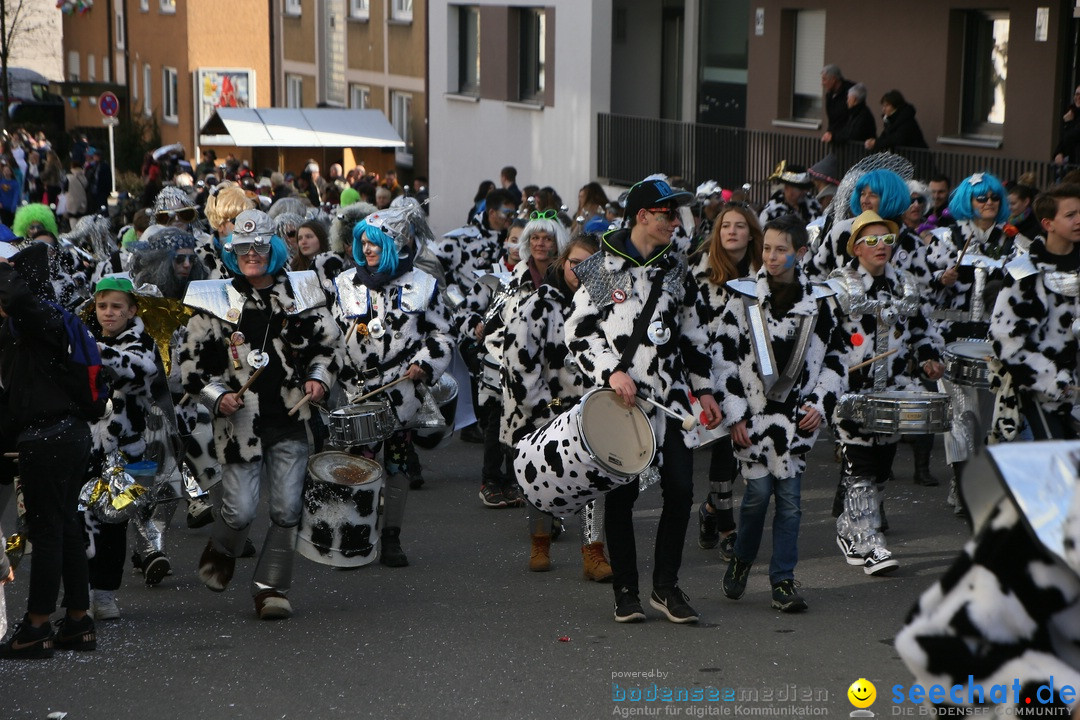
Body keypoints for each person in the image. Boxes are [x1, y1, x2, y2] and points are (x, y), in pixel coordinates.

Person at [565, 177, 722, 624]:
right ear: (643, 217)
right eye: (668, 214)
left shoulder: (677, 268)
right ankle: (627, 589)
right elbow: (576, 332)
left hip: (670, 403)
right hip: (620, 405)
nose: (676, 222)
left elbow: (692, 335)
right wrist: (609, 372)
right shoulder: (598, 267)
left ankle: (666, 588)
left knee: (680, 491)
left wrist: (705, 389)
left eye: (677, 215)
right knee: (623, 496)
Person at [179, 209, 341, 619]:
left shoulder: (302, 291)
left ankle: (270, 589)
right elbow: (191, 364)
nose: (252, 254)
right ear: (233, 252)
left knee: (287, 509)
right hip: (239, 426)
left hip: (290, 417)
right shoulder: (214, 297)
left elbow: (329, 345)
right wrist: (218, 396)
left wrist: (319, 380)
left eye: (260, 246)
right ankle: (222, 550)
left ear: (273, 248)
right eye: (243, 248)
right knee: (239, 512)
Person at [715, 214, 846, 612]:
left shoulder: (820, 303)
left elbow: (837, 360)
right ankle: (741, 557)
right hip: (753, 421)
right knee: (756, 498)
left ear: (800, 253)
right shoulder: (744, 298)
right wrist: (734, 413)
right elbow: (723, 358)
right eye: (767, 248)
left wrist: (821, 404)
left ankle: (783, 581)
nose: (771, 257)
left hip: (796, 424)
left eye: (781, 250)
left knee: (790, 504)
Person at [332, 206, 454, 564]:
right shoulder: (343, 284)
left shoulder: (423, 284)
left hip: (402, 394)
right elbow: (326, 335)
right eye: (364, 243)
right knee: (358, 465)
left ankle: (391, 537)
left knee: (398, 466)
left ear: (394, 245)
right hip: (357, 393)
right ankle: (357, 534)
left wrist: (425, 364)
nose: (368, 250)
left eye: (375, 243)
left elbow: (444, 333)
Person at [828, 211, 944, 576]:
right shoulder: (839, 285)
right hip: (851, 391)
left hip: (893, 392)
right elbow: (822, 337)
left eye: (888, 240)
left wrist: (928, 358)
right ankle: (869, 541)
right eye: (873, 240)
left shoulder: (905, 285)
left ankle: (850, 529)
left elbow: (922, 329)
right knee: (860, 466)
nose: (882, 247)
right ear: (856, 247)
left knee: (880, 469)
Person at [0, 243, 96, 657]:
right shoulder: (56, 321)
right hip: (71, 435)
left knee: (48, 532)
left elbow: (19, 298)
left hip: (47, 439)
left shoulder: (39, 320)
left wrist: (4, 272)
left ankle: (36, 626)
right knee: (67, 527)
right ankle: (78, 620)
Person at [505, 233, 613, 578]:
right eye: (575, 262)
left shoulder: (606, 305)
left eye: (590, 264)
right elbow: (519, 361)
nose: (580, 271)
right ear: (563, 262)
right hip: (544, 409)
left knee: (598, 481)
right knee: (543, 480)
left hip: (592, 409)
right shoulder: (538, 303)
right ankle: (540, 542)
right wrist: (540, 410)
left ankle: (593, 552)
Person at [925, 172, 1015, 517]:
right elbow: (922, 288)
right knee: (961, 415)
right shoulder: (945, 238)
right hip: (952, 339)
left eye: (994, 198)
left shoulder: (1011, 241)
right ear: (968, 201)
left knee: (992, 417)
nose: (989, 203)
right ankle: (962, 483)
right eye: (982, 198)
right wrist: (940, 278)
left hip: (994, 342)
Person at [693, 202, 764, 562]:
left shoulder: (763, 277)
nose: (732, 231)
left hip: (753, 376)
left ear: (752, 233)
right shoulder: (698, 275)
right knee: (723, 449)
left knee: (743, 451)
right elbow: (691, 333)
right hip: (709, 374)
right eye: (725, 226)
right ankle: (726, 527)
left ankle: (709, 510)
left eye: (739, 226)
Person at [990, 184, 1080, 440]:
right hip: (1042, 390)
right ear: (1048, 223)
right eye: (1070, 215)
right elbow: (1004, 338)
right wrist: (1050, 381)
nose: (1079, 220)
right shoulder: (1024, 273)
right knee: (1055, 463)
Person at [820, 65, 855, 141]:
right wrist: (829, 133)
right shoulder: (829, 95)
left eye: (824, 79)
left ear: (833, 79)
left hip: (849, 141)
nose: (822, 83)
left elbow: (852, 119)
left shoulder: (851, 92)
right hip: (835, 139)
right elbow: (832, 120)